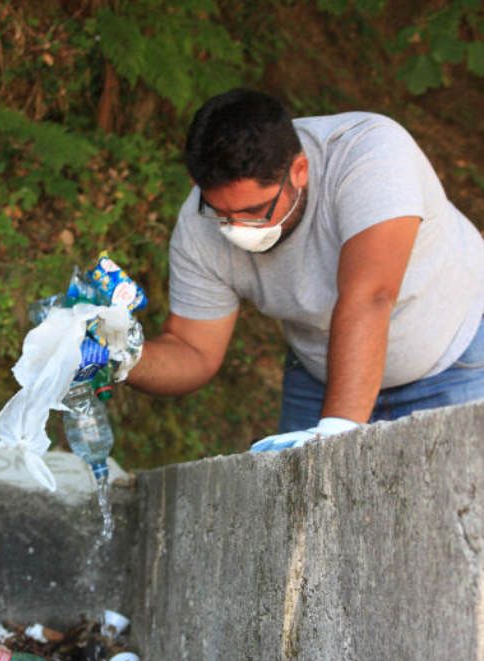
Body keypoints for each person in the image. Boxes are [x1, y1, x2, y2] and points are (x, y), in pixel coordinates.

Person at [115, 89, 484, 451]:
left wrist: (337, 434)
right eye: (221, 213)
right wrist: (122, 356)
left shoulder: (369, 154)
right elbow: (194, 349)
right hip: (321, 373)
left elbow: (370, 296)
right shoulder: (199, 223)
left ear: (299, 171)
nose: (235, 228)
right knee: (303, 506)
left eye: (254, 211)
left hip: (454, 363)